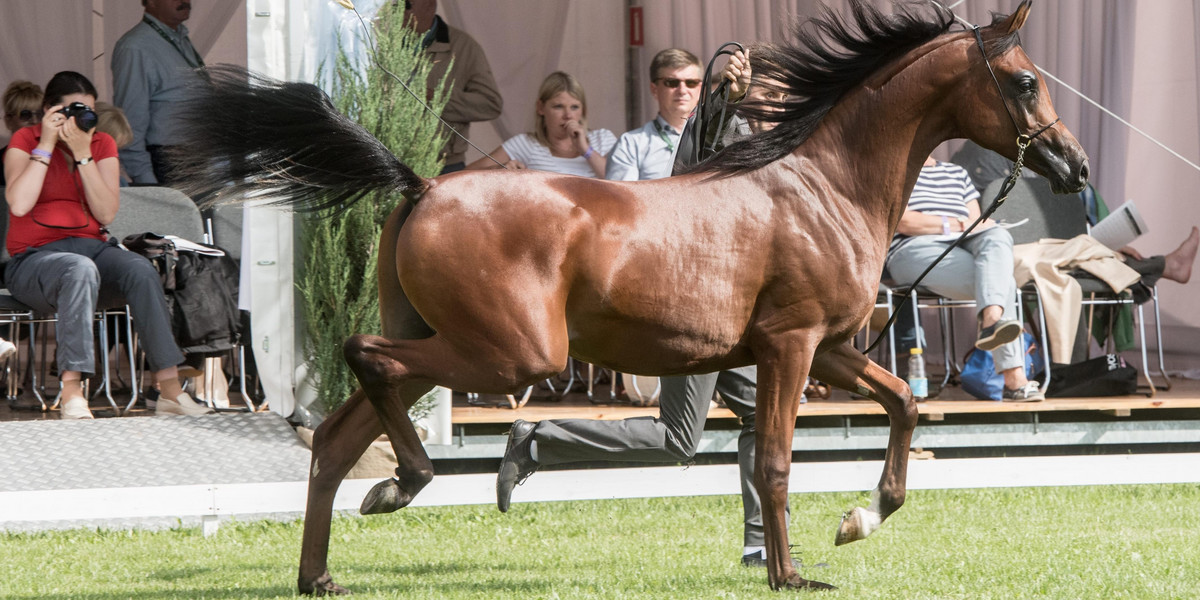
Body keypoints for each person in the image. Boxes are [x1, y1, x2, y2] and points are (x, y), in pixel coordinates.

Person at [498, 49, 800, 569]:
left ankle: (760, 545)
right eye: (769, 94)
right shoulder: (717, 127)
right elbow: (693, 158)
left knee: (758, 414)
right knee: (679, 439)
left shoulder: (770, 143)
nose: (777, 105)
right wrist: (722, 94)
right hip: (690, 299)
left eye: (781, 98)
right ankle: (538, 441)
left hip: (741, 307)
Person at [2, 71, 213, 419]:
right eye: (70, 111)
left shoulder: (100, 144)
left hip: (92, 249)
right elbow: (20, 204)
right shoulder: (26, 140)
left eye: (86, 112)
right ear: (49, 110)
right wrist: (48, 145)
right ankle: (72, 393)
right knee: (77, 268)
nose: (78, 120)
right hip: (34, 260)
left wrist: (84, 155)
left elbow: (106, 211)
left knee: (140, 269)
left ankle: (170, 390)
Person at [885, 155, 1044, 401]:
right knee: (1004, 283)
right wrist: (956, 224)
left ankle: (992, 320)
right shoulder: (895, 168)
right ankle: (1014, 379)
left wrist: (969, 226)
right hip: (913, 248)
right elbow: (905, 222)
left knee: (997, 236)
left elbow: (976, 221)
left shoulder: (957, 173)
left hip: (961, 245)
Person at [395, 0, 503, 175]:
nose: (399, 11)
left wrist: (437, 97)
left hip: (444, 166)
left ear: (429, 3)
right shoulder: (382, 42)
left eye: (406, 5)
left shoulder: (465, 47)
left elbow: (490, 104)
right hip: (391, 159)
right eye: (394, 5)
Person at [112, 0, 207, 185]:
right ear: (152, 2)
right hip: (168, 161)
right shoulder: (136, 47)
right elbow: (130, 121)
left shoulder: (177, 37)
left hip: (194, 157)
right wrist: (146, 180)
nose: (184, 1)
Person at [466, 71, 615, 178]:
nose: (568, 115)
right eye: (558, 106)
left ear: (583, 110)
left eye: (574, 107)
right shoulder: (526, 144)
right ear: (541, 108)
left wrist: (586, 150)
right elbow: (466, 174)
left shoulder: (602, 139)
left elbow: (620, 181)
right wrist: (497, 169)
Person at [605, 48, 703, 181]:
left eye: (691, 82)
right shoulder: (630, 144)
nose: (682, 90)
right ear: (654, 89)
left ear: (700, 88)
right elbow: (622, 200)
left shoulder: (716, 138)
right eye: (672, 82)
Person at [3, 81, 45, 186]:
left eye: (40, 114)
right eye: (25, 115)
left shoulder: (57, 157)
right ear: (8, 120)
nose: (35, 121)